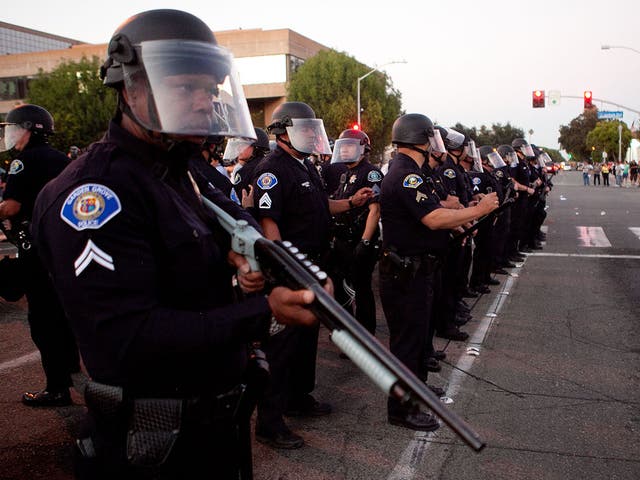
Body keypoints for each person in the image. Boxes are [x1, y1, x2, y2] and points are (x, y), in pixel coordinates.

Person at [31, 10, 325, 479]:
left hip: (213, 429)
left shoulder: (176, 170)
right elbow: (126, 338)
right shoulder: (96, 193)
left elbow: (232, 219)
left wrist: (266, 259)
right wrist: (265, 310)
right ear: (131, 88)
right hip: (149, 445)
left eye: (210, 90)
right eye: (184, 88)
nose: (204, 102)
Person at [252, 101, 371, 449]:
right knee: (281, 347)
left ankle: (299, 398)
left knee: (305, 341)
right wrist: (284, 270)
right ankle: (270, 423)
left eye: (310, 129)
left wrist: (353, 202)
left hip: (313, 265)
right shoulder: (272, 169)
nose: (309, 135)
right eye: (302, 129)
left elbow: (322, 207)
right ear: (282, 132)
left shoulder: (305, 166)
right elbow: (268, 224)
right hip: (290, 270)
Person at [379, 113, 498, 430]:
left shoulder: (414, 172)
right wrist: (480, 209)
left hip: (417, 271)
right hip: (405, 273)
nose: (436, 143)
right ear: (421, 140)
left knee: (418, 340)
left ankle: (416, 390)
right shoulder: (407, 176)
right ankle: (402, 409)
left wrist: (466, 210)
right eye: (432, 137)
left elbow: (440, 208)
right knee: (407, 343)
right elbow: (432, 218)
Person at [0, 104, 80, 407]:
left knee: (43, 321)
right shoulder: (62, 159)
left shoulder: (23, 161)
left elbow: (12, 207)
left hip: (35, 251)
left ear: (30, 130)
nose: (12, 135)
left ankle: (57, 388)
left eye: (16, 128)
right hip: (61, 248)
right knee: (63, 314)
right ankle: (71, 371)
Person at [326, 128, 382, 335]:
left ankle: (365, 335)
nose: (345, 150)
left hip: (359, 240)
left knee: (361, 289)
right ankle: (347, 333)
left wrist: (365, 242)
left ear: (363, 149)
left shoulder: (371, 173)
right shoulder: (345, 174)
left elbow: (375, 210)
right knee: (341, 288)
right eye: (343, 146)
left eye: (350, 146)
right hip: (342, 240)